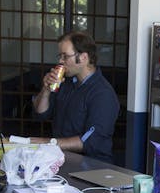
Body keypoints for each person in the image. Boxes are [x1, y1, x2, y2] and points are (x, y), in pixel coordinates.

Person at [31, 30, 121, 163]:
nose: (61, 61)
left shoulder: (102, 93)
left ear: (84, 58)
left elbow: (90, 141)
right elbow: (41, 114)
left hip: (92, 166)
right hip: (62, 159)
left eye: (65, 56)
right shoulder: (66, 83)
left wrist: (47, 143)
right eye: (60, 56)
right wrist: (46, 89)